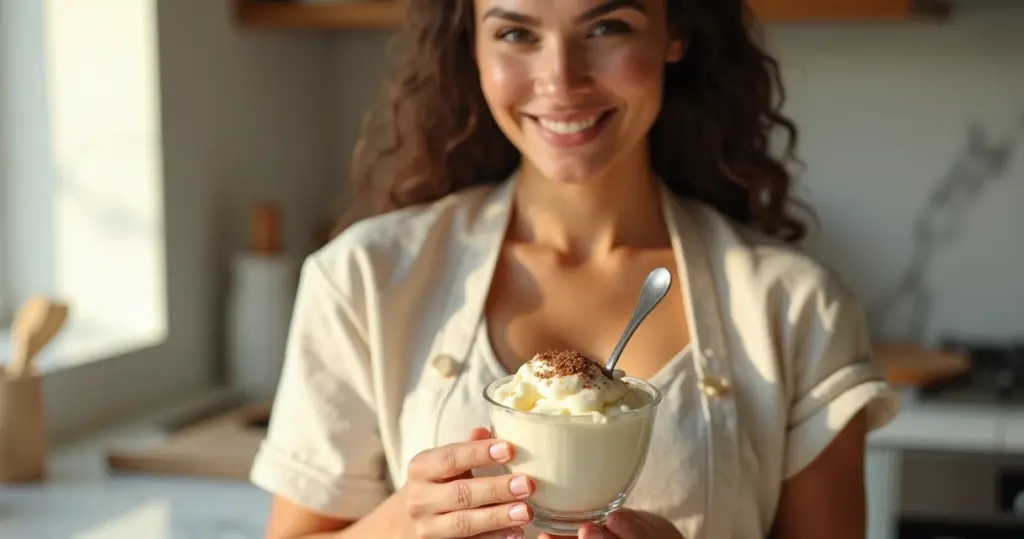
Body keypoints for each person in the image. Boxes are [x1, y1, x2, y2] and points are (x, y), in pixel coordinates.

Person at [250, 0, 901, 538]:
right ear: (470, 47)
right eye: (515, 33)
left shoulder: (798, 307)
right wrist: (402, 525)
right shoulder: (363, 279)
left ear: (675, 31)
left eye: (605, 27)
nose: (560, 80)